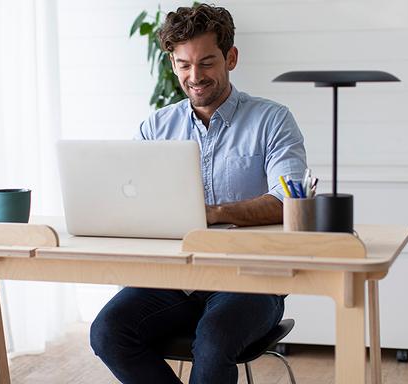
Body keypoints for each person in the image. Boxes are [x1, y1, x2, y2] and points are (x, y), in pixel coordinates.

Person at [90, 4, 307, 384]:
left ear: (231, 58)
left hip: (250, 281)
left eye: (206, 63)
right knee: (108, 332)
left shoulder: (272, 120)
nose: (195, 76)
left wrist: (213, 212)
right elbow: (134, 203)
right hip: (174, 280)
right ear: (172, 64)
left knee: (213, 339)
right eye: (184, 64)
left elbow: (289, 201)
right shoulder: (156, 126)